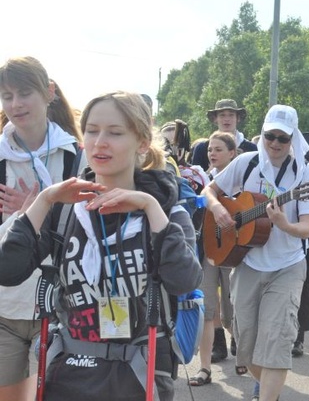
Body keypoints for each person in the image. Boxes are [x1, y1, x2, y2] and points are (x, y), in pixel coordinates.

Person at [0, 91, 202, 400]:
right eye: (92, 130)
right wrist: (44, 200)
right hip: (70, 372)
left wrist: (149, 206)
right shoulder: (65, 209)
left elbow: (184, 280)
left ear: (143, 143)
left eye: (115, 132)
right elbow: (7, 271)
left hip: (139, 373)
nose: (100, 141)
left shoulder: (165, 209)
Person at [202, 104, 309, 401]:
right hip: (246, 262)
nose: (275, 144)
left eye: (283, 138)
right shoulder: (246, 162)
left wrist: (284, 223)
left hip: (288, 266)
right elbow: (209, 191)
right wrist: (218, 208)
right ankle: (271, 389)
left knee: (277, 341)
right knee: (245, 345)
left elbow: (306, 229)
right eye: (270, 136)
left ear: (293, 138)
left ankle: (268, 395)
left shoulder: (306, 174)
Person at [0, 57, 85, 401]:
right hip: (5, 307)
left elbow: (90, 225)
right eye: (7, 96)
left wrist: (36, 210)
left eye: (25, 93)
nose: (15, 104)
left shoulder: (79, 157)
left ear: (49, 92)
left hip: (62, 305)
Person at [189, 132, 237, 386]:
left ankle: (243, 356)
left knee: (232, 314)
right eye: (210, 149)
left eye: (218, 149)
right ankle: (205, 368)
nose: (212, 153)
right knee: (207, 311)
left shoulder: (242, 182)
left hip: (231, 254)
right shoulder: (200, 179)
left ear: (233, 153)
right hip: (206, 254)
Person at [191, 99, 256, 171]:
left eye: (231, 115)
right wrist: (211, 170)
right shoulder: (202, 148)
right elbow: (195, 179)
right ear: (215, 119)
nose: (227, 119)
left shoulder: (251, 149)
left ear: (238, 118)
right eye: (222, 115)